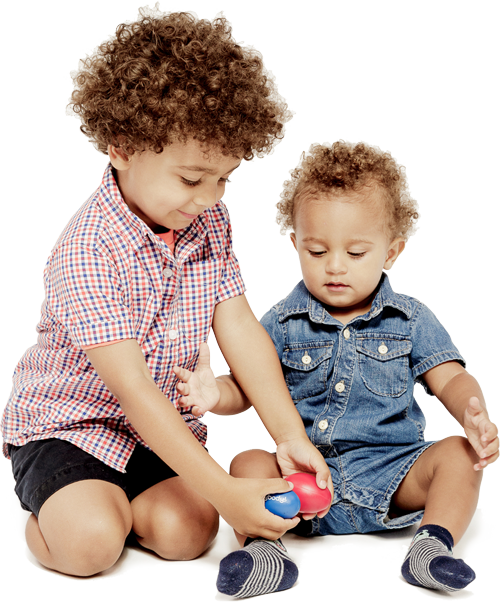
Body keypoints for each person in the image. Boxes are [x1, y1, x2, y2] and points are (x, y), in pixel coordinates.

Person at [1, 10, 332, 579]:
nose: (209, 197)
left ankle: (123, 501)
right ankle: (55, 509)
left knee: (190, 533)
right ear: (123, 146)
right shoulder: (88, 251)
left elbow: (241, 330)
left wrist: (289, 434)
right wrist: (227, 491)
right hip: (70, 427)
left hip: (158, 431)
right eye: (191, 178)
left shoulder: (209, 223)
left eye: (224, 178)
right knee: (89, 545)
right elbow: (132, 390)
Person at [175, 140, 499, 596]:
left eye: (356, 253)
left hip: (393, 472)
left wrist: (472, 411)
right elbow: (248, 386)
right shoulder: (283, 322)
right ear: (295, 245)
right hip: (303, 480)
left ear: (391, 251)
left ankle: (432, 546)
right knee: (246, 461)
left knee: (458, 456)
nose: (335, 267)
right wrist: (216, 396)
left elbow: (451, 376)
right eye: (317, 251)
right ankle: (265, 551)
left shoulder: (409, 319)